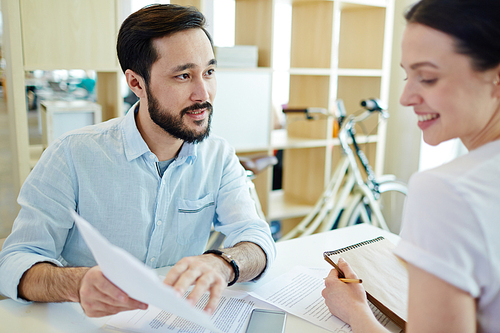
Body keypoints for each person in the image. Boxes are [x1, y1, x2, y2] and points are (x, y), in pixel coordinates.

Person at [0, 4, 276, 318]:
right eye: (183, 75)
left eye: (209, 72)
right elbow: (14, 261)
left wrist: (223, 264)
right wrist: (75, 284)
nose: (204, 94)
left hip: (174, 320)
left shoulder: (219, 156)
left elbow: (257, 239)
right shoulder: (71, 155)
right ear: (136, 84)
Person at [322, 0, 500, 331]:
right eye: (407, 76)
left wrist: (355, 311)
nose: (405, 97)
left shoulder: (447, 189)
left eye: (428, 78)